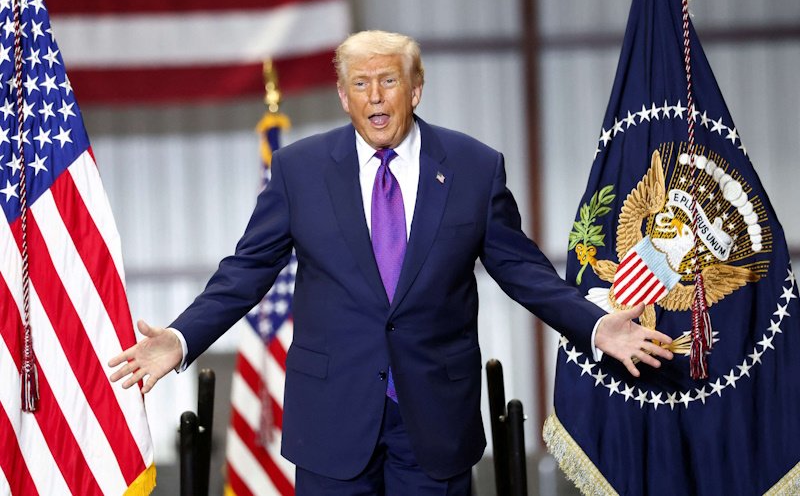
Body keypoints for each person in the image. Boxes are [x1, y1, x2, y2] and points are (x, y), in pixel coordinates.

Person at [109, 30, 673, 495]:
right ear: (342, 95)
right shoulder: (300, 171)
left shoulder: (474, 168)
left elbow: (523, 271)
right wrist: (181, 339)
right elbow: (246, 272)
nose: (375, 97)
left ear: (416, 89)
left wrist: (595, 327)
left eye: (388, 81)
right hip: (333, 420)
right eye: (361, 84)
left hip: (434, 420)